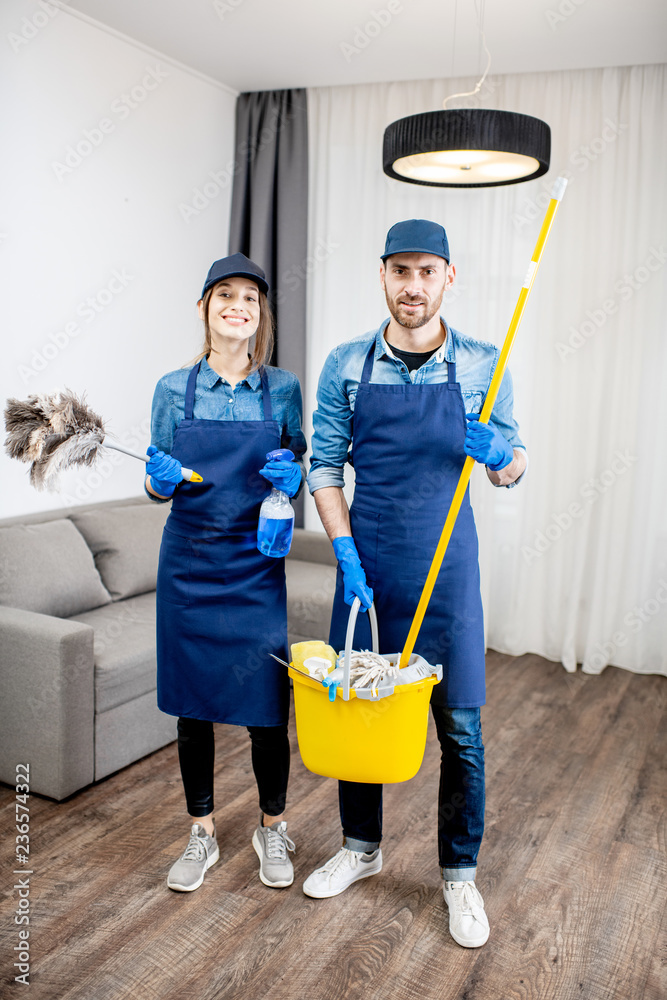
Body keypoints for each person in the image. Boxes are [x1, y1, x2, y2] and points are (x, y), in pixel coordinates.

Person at [303, 220, 527, 948]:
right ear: (382, 276)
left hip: (448, 572)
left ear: (448, 278)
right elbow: (323, 468)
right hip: (368, 572)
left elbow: (510, 466)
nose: (413, 286)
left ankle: (459, 877)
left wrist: (501, 453)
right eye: (400, 271)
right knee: (358, 712)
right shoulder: (345, 364)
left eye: (427, 272)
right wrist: (343, 551)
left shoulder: (483, 364)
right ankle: (361, 850)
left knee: (459, 728)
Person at [145, 253, 306, 893]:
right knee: (193, 707)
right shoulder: (172, 389)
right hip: (189, 565)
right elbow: (159, 482)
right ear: (206, 308)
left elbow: (298, 457)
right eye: (225, 296)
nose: (238, 306)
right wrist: (157, 484)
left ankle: (274, 825)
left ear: (261, 313)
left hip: (254, 564)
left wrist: (291, 476)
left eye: (250, 298)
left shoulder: (283, 389)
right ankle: (203, 833)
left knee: (268, 706)